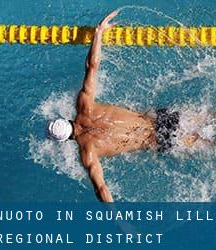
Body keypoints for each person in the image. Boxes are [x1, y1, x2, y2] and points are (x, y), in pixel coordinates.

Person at [47, 11, 199, 202]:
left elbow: (101, 189)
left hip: (160, 140)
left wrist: (122, 223)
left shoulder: (88, 152)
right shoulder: (84, 105)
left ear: (65, 140)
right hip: (161, 118)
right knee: (215, 118)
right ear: (65, 119)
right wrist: (98, 33)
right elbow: (92, 66)